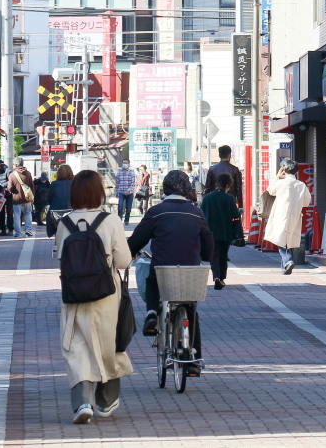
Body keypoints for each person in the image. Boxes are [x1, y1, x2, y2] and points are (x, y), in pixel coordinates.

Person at [55, 170, 133, 424]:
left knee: (76, 347)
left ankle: (82, 402)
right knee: (106, 344)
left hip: (74, 294)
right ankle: (107, 400)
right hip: (105, 294)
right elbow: (123, 260)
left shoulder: (64, 223)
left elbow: (61, 260)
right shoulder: (110, 221)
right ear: (99, 193)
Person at [127, 170, 213, 367]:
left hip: (163, 270)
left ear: (165, 188)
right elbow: (208, 246)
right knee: (190, 308)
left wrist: (130, 251)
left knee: (152, 280)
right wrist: (205, 255)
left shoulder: (157, 212)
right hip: (190, 273)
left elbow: (137, 240)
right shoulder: (196, 213)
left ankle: (151, 313)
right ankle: (193, 360)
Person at [263, 159, 311, 276]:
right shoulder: (301, 185)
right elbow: (307, 202)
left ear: (283, 170)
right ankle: (284, 266)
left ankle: (288, 260)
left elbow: (270, 190)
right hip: (295, 215)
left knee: (280, 240)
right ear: (296, 172)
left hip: (280, 214)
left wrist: (277, 177)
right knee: (289, 240)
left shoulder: (281, 183)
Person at [200, 173, 238, 290]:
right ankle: (221, 278)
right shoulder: (230, 199)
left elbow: (201, 214)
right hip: (226, 233)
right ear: (228, 185)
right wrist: (238, 234)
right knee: (223, 256)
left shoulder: (207, 198)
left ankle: (216, 276)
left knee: (214, 256)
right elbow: (235, 216)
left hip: (210, 233)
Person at [203, 145, 244, 210]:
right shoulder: (235, 170)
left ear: (219, 155)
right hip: (230, 202)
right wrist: (241, 206)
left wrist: (205, 203)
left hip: (214, 202)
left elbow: (207, 188)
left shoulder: (212, 169)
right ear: (229, 155)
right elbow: (238, 189)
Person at [7, 157, 35, 238]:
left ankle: (18, 234)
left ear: (15, 164)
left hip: (16, 198)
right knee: (28, 213)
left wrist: (12, 191)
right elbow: (32, 186)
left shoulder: (12, 175)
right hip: (27, 197)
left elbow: (10, 187)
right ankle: (28, 230)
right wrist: (32, 196)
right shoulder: (28, 173)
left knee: (17, 215)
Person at [46, 164, 74, 238]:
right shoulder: (75, 183)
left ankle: (57, 246)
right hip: (72, 213)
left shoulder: (54, 184)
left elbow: (49, 199)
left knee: (57, 231)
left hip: (56, 215)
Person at [115, 160, 136, 225]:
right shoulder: (119, 173)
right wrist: (116, 192)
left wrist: (129, 190)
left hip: (129, 193)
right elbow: (117, 183)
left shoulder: (131, 173)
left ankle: (126, 220)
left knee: (128, 208)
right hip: (121, 192)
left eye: (126, 163)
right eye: (123, 163)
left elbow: (132, 183)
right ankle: (119, 220)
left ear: (129, 164)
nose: (124, 164)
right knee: (120, 206)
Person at [0, 160, 12, 235]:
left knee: (9, 212)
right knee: (0, 212)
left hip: (8, 194)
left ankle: (10, 229)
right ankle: (3, 229)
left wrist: (2, 185)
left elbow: (11, 181)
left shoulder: (7, 171)